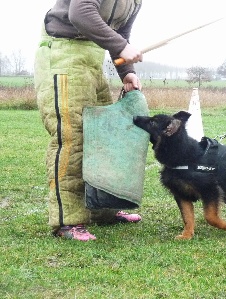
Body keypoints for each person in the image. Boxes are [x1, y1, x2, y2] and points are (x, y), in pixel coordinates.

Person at [34, 0, 144, 241]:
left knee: (103, 138)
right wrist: (121, 45)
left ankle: (103, 212)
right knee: (73, 139)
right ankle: (68, 222)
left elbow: (120, 34)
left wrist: (128, 73)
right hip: (64, 53)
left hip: (93, 59)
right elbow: (80, 13)